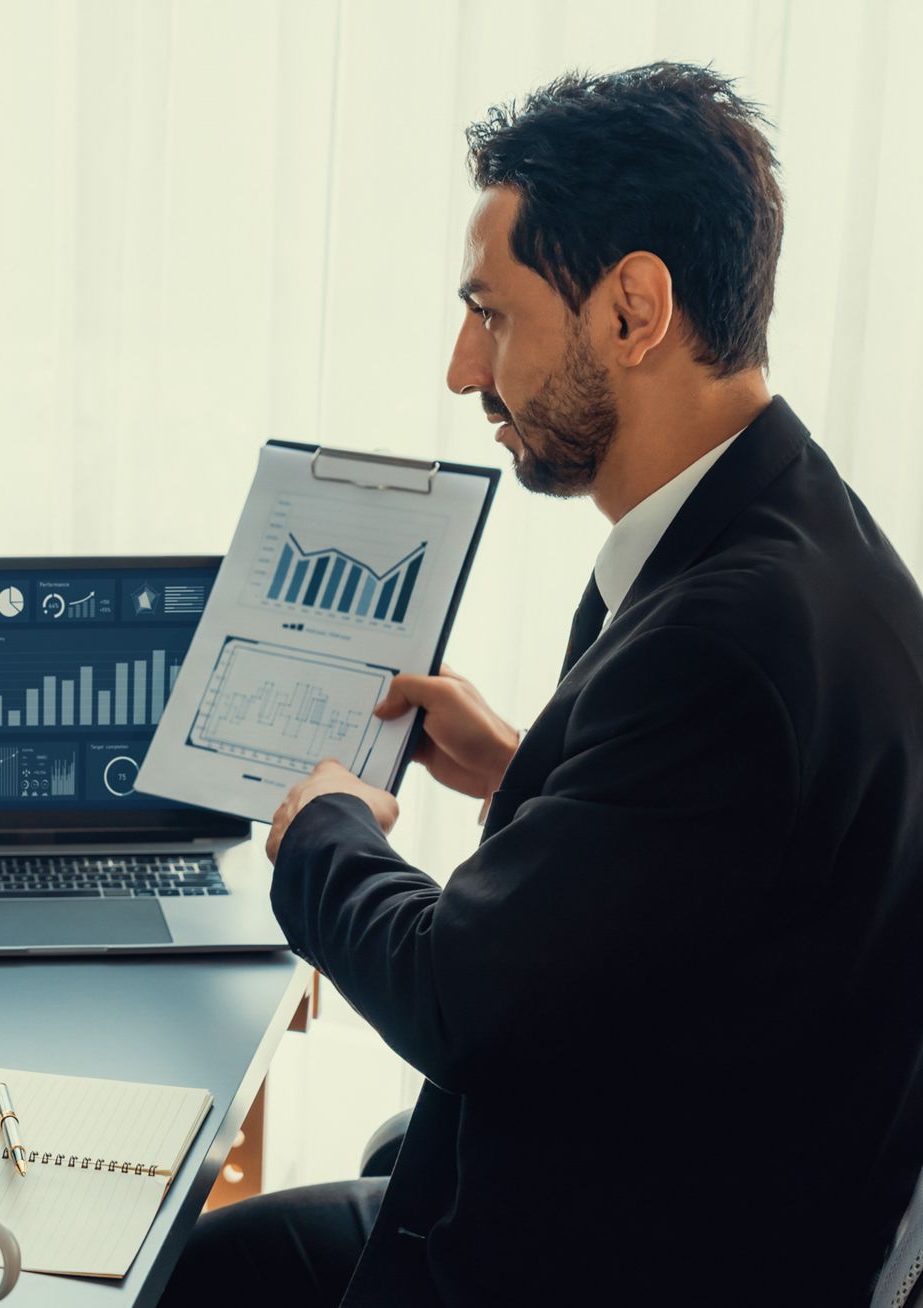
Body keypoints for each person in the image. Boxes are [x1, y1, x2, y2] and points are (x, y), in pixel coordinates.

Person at [163, 63, 923, 1307]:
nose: (465, 371)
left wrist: (323, 833)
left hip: (618, 1257)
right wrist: (526, 766)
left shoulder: (722, 645)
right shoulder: (803, 532)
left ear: (634, 309)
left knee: (185, 1280)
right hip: (704, 1179)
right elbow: (729, 862)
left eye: (494, 314)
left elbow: (462, 997)